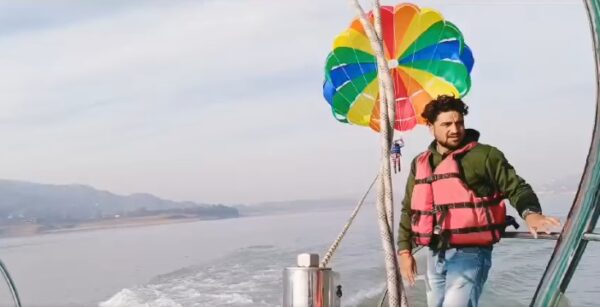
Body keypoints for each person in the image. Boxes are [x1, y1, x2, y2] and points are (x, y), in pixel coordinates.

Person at [396, 95, 561, 307]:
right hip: (435, 255)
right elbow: (409, 209)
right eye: (446, 124)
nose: (455, 129)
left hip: (470, 254)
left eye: (459, 123)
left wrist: (531, 213)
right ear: (431, 127)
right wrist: (404, 251)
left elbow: (517, 188)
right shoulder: (420, 163)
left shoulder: (484, 156)